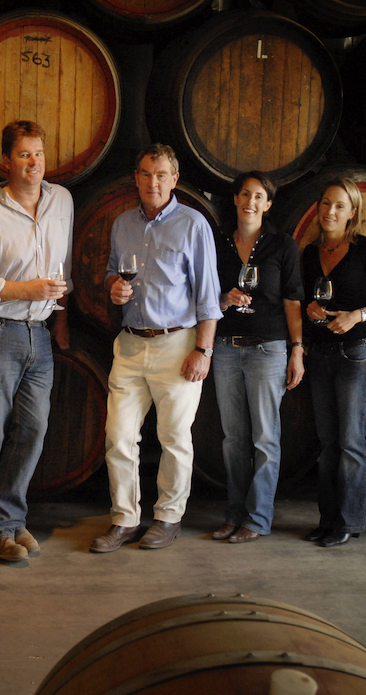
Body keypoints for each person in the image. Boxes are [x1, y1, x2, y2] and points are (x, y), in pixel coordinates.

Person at [89, 143, 221, 553]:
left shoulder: (194, 224)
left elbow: (209, 297)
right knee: (118, 436)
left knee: (174, 437)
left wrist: (204, 350)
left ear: (174, 179)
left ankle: (168, 517)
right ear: (136, 178)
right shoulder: (123, 223)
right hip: (130, 344)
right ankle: (124, 519)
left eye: (161, 174)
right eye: (146, 174)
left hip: (177, 344)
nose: (153, 182)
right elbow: (113, 273)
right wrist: (114, 287)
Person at [0, 120, 72, 563]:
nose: (33, 162)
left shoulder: (62, 200)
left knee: (34, 430)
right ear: (7, 161)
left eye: (38, 153)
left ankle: (5, 519)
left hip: (38, 334)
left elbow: (64, 264)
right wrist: (23, 290)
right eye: (24, 154)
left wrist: (60, 317)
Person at [212, 171, 304, 544]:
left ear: (268, 204)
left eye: (259, 196)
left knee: (265, 438)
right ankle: (234, 514)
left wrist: (297, 350)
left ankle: (258, 518)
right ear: (235, 199)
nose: (251, 202)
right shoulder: (219, 243)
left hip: (269, 348)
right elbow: (206, 295)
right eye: (245, 194)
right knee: (233, 438)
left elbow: (293, 301)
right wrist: (224, 300)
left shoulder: (283, 246)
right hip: (226, 347)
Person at [301, 178, 366, 547]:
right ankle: (327, 519)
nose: (331, 212)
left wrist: (356, 315)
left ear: (352, 212)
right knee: (327, 442)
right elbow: (307, 301)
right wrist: (311, 310)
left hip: (357, 353)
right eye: (326, 203)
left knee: (351, 441)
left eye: (340, 206)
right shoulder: (309, 253)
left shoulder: (365, 249)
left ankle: (349, 521)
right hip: (321, 353)